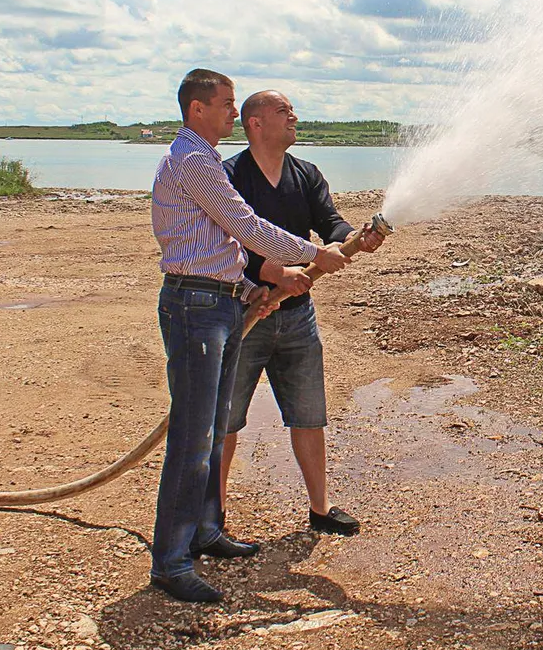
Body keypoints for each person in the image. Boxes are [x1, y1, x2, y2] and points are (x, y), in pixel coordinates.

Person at [149, 69, 351, 603]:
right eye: (224, 105)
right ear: (197, 110)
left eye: (236, 106)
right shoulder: (195, 162)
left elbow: (236, 241)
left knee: (212, 429)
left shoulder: (207, 160)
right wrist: (313, 254)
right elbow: (249, 227)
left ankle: (208, 533)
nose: (231, 115)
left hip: (218, 300)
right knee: (192, 439)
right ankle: (171, 562)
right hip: (196, 304)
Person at [218, 90, 384, 537]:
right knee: (226, 419)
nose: (293, 116)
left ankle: (320, 508)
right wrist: (273, 274)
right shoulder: (229, 176)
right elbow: (231, 244)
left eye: (292, 110)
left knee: (309, 413)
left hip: (297, 315)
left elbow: (330, 223)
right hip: (244, 314)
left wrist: (355, 236)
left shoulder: (306, 174)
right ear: (254, 124)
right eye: (282, 111)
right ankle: (212, 517)